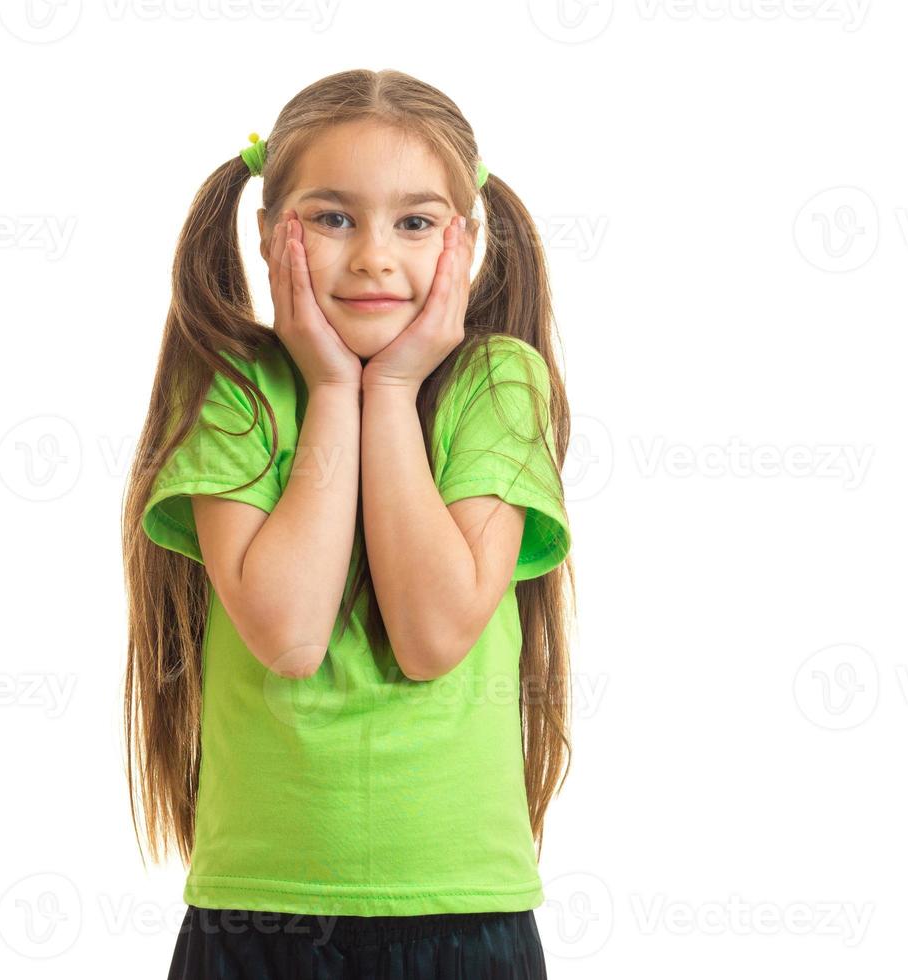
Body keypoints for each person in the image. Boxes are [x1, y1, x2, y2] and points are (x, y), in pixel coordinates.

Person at [120, 68, 575, 979]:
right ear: (266, 232)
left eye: (414, 222)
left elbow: (432, 634)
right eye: (332, 218)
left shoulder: (495, 382)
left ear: (467, 239)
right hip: (258, 911)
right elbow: (287, 633)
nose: (373, 256)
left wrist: (396, 387)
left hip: (461, 906)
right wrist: (333, 387)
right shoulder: (232, 383)